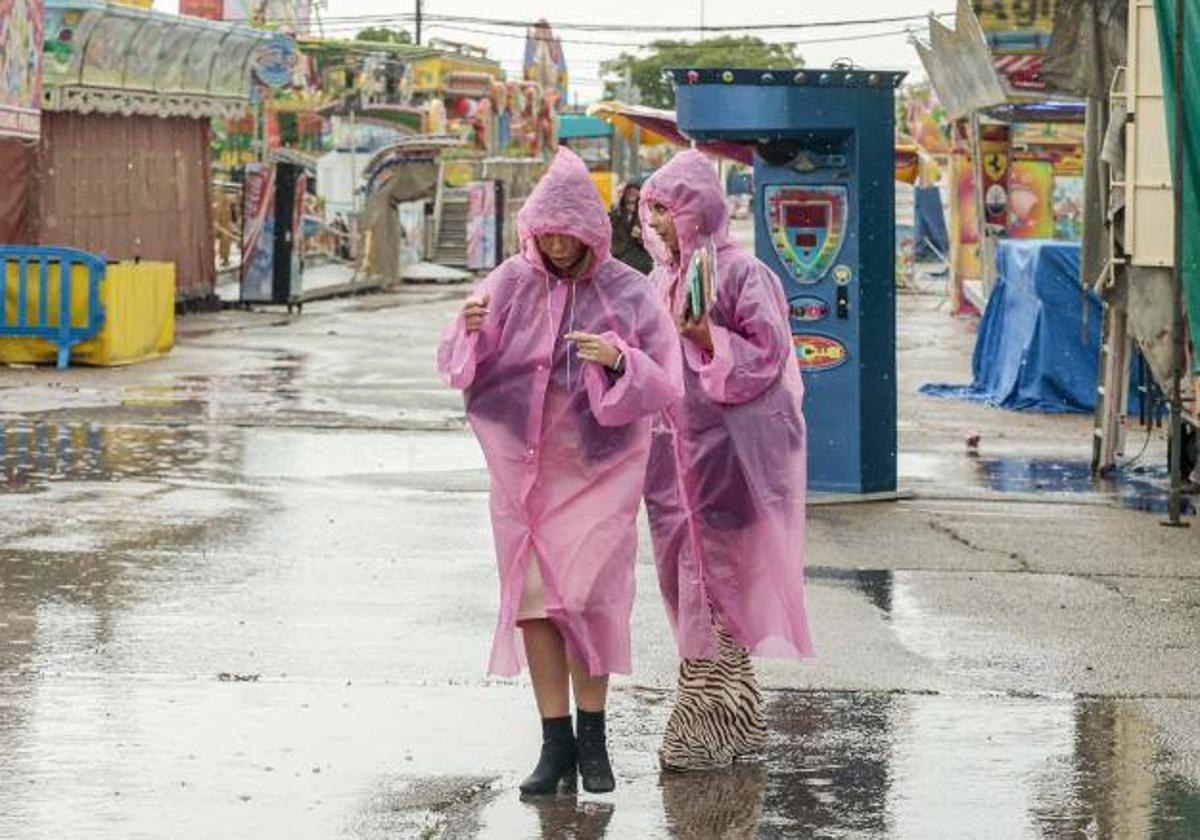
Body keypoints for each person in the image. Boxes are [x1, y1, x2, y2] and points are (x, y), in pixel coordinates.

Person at [437, 148, 683, 796]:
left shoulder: (627, 291)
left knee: (588, 601)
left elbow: (665, 378)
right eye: (546, 232)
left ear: (590, 232)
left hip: (598, 475)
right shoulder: (509, 283)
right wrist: (468, 331)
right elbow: (463, 362)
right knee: (536, 606)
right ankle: (556, 744)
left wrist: (619, 359)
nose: (556, 245)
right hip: (527, 482)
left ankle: (594, 736)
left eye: (568, 234)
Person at [638, 149, 814, 771]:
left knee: (716, 584)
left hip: (729, 458)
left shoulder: (743, 274)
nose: (658, 223)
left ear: (697, 210)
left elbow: (768, 357)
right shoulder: (662, 279)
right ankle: (738, 717)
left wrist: (704, 336)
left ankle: (703, 725)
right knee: (689, 582)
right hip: (671, 460)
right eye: (653, 209)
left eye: (668, 209)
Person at [609, 180, 654, 275]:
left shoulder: (646, 215)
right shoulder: (617, 214)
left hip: (639, 263)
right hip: (620, 260)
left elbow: (653, 242)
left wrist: (643, 236)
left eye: (635, 193)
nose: (632, 196)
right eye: (629, 193)